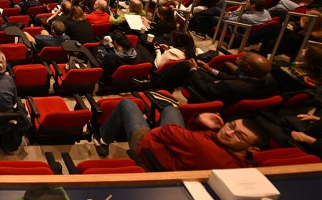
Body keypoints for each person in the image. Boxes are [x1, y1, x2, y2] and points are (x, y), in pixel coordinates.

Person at [92, 99, 269, 170]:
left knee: (127, 104)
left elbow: (166, 131)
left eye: (240, 136)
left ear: (254, 148)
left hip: (150, 146)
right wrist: (198, 120)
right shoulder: (242, 163)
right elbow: (188, 135)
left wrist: (169, 133)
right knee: (171, 109)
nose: (228, 132)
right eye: (231, 125)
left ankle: (103, 138)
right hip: (179, 149)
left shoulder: (204, 147)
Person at [185, 52, 278, 106]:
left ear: (247, 68)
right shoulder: (270, 81)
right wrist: (210, 70)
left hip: (211, 97)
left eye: (241, 60)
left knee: (184, 66)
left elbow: (204, 89)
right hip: (225, 91)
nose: (237, 59)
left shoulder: (232, 86)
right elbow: (237, 79)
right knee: (199, 71)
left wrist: (193, 69)